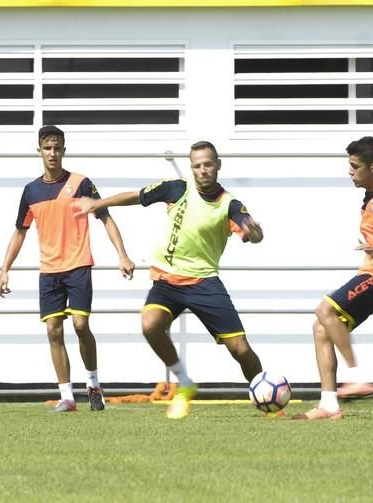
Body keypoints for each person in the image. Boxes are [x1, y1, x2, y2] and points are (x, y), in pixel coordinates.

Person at [73, 140, 264, 419]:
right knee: (150, 324)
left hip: (204, 282)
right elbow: (136, 196)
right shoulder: (177, 188)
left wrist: (255, 232)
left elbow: (251, 232)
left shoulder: (229, 204)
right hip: (166, 281)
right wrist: (98, 203)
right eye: (197, 165)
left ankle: (264, 395)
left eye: (208, 164)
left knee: (241, 349)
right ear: (191, 167)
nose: (203, 170)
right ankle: (184, 382)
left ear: (217, 165)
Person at [0, 125, 135, 413]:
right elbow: (20, 232)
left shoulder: (81, 183)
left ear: (64, 150)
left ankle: (94, 385)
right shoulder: (31, 191)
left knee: (81, 325)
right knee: (53, 330)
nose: (52, 153)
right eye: (47, 148)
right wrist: (4, 269)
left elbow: (106, 218)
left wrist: (123, 255)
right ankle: (67, 397)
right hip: (49, 271)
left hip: (78, 266)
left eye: (57, 148)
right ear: (39, 151)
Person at [293, 136, 373, 420]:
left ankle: (356, 377)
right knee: (321, 327)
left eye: (354, 166)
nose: (350, 171)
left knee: (324, 309)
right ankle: (329, 405)